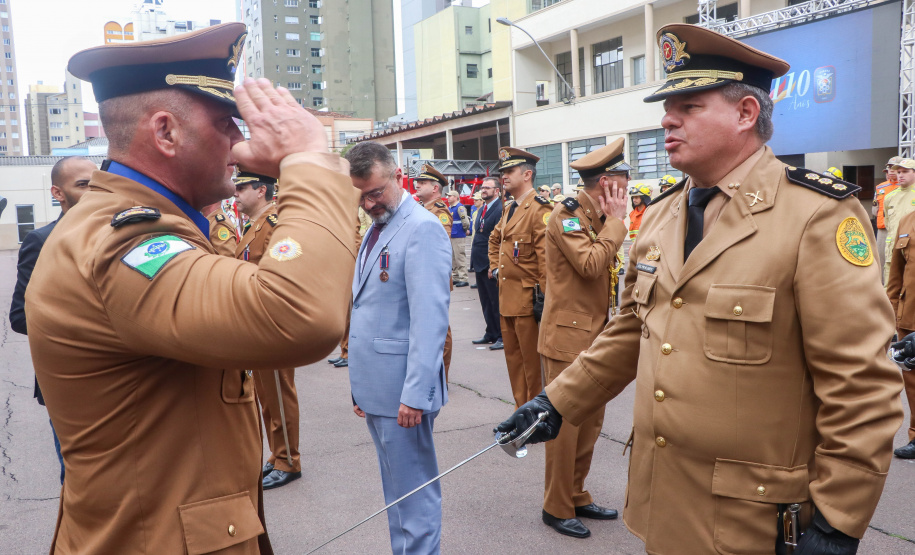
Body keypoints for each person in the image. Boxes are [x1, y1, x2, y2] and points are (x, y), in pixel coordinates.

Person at [497, 23, 903, 555]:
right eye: (669, 105)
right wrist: (557, 401)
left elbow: (861, 386)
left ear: (746, 114)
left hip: (753, 518)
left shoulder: (816, 216)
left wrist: (838, 522)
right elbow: (630, 331)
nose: (667, 118)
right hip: (664, 501)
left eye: (689, 105)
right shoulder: (665, 212)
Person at [25, 24, 357, 553]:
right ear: (165, 132)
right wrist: (308, 160)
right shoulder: (124, 243)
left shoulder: (142, 224)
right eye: (227, 123)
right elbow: (297, 314)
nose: (239, 140)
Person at [346, 141, 451, 555]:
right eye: (361, 195)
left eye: (375, 192)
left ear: (397, 177)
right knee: (397, 492)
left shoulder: (422, 228)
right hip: (379, 389)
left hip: (404, 394)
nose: (369, 203)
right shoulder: (377, 229)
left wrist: (415, 395)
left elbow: (430, 322)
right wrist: (360, 388)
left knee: (414, 493)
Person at [537, 139, 630, 538]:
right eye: (624, 181)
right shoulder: (567, 214)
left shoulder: (596, 214)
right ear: (607, 182)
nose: (627, 190)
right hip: (567, 336)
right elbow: (591, 265)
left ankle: (576, 493)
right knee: (565, 427)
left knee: (591, 422)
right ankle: (555, 506)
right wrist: (617, 224)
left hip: (595, 333)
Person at [9, 155, 96, 485]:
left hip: (129, 380)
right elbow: (20, 317)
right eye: (83, 185)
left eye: (98, 183)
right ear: (58, 193)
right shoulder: (42, 241)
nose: (94, 191)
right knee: (82, 481)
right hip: (70, 384)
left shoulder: (123, 233)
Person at [233, 170, 303, 490]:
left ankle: (289, 459)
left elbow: (285, 276)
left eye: (242, 187)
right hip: (255, 322)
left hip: (271, 321)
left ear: (261, 190)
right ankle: (277, 455)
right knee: (265, 395)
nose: (236, 193)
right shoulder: (255, 225)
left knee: (278, 390)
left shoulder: (275, 225)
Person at [489, 147, 552, 408]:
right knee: (514, 361)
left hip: (529, 300)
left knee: (533, 364)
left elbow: (547, 260)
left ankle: (536, 415)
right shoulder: (510, 208)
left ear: (527, 174)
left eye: (509, 171)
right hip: (508, 298)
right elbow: (494, 240)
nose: (503, 176)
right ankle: (520, 409)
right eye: (502, 171)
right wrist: (495, 269)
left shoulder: (540, 209)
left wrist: (547, 300)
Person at [414, 164, 455, 379]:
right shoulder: (422, 208)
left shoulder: (439, 212)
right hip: (421, 276)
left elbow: (440, 247)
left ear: (435, 188)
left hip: (433, 278)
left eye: (423, 182)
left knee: (440, 327)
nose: (417, 184)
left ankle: (442, 375)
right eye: (418, 181)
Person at [886, 210, 915, 459]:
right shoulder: (907, 220)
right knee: (913, 383)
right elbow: (896, 273)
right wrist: (892, 313)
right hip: (910, 316)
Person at [471, 176, 504, 349]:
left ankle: (501, 335)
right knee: (485, 301)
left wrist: (494, 264)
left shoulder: (500, 209)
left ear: (497, 191)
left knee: (495, 301)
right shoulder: (483, 208)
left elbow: (499, 240)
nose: (483, 190)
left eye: (487, 188)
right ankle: (490, 332)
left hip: (490, 263)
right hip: (479, 262)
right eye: (482, 187)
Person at [883, 158, 915, 282]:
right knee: (890, 286)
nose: (900, 175)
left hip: (912, 249)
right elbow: (888, 224)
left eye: (905, 172)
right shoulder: (890, 197)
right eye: (899, 172)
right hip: (893, 248)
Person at [876, 156, 902, 269]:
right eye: (889, 167)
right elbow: (875, 208)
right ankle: (882, 285)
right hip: (883, 228)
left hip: (900, 228)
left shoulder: (907, 187)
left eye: (894, 167)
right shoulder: (880, 187)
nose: (891, 170)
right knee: (881, 259)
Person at [446, 189, 471, 287]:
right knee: (453, 258)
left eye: (450, 196)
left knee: (460, 256)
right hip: (452, 235)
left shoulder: (459, 207)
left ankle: (463, 278)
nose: (448, 198)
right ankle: (456, 277)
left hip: (459, 235)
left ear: (456, 197)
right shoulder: (450, 208)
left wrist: (465, 230)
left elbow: (465, 221)